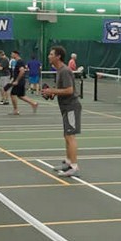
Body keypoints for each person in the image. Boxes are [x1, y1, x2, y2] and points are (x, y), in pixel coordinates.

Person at [43, 46, 81, 177]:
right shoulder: (59, 71)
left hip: (71, 106)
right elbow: (62, 90)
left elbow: (69, 90)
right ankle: (68, 162)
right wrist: (51, 94)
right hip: (65, 106)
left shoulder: (64, 71)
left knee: (70, 136)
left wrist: (52, 91)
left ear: (58, 56)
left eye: (51, 54)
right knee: (66, 135)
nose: (49, 56)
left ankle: (74, 167)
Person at [8, 50, 39, 115]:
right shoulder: (18, 62)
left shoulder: (19, 62)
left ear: (16, 54)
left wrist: (16, 81)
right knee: (21, 95)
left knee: (12, 94)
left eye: (12, 54)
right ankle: (34, 103)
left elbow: (22, 71)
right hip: (20, 81)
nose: (11, 55)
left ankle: (15, 110)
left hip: (19, 82)